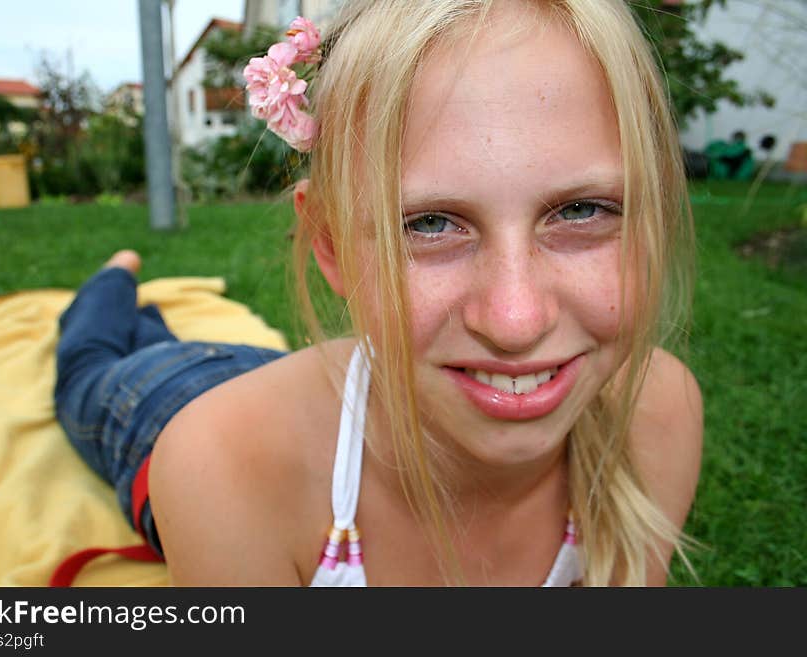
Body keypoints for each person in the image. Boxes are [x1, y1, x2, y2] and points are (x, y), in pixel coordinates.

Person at [54, 0, 703, 587]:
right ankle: (114, 277)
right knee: (91, 360)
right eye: (428, 223)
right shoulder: (215, 460)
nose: (515, 320)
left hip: (321, 385)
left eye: (583, 210)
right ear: (331, 246)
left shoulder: (658, 417)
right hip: (162, 400)